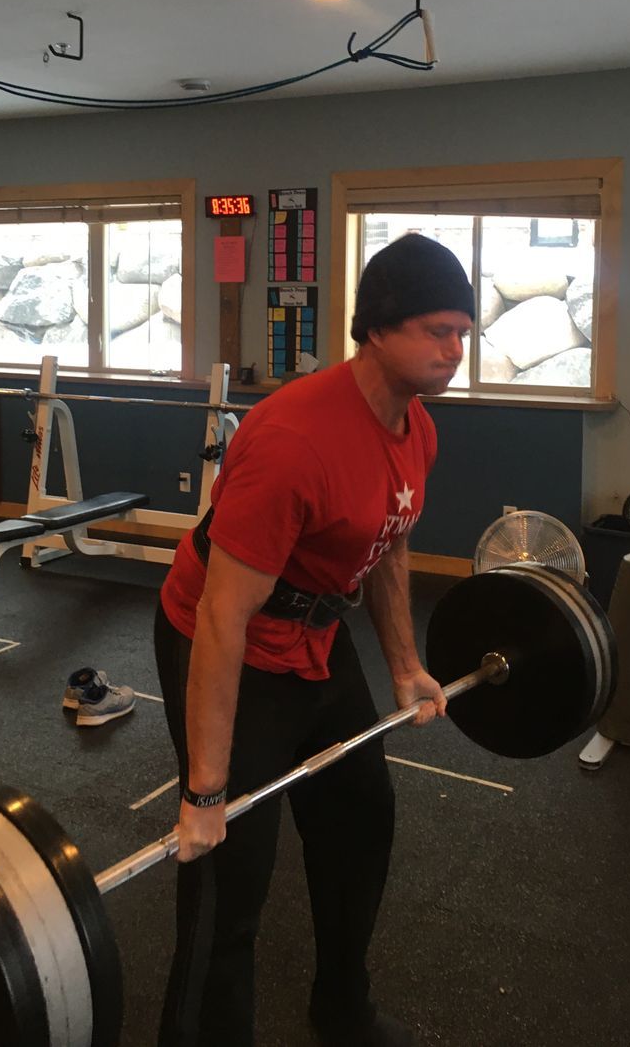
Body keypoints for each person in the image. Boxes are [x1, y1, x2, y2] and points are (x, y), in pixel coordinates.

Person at [154, 233, 475, 1047]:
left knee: (361, 814)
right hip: (229, 639)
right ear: (378, 327)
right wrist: (203, 791)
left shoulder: (417, 428)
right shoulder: (295, 438)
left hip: (316, 636)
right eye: (438, 330)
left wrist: (404, 664)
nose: (455, 350)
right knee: (230, 869)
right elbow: (225, 615)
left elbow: (391, 543)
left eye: (464, 332)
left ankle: (341, 1009)